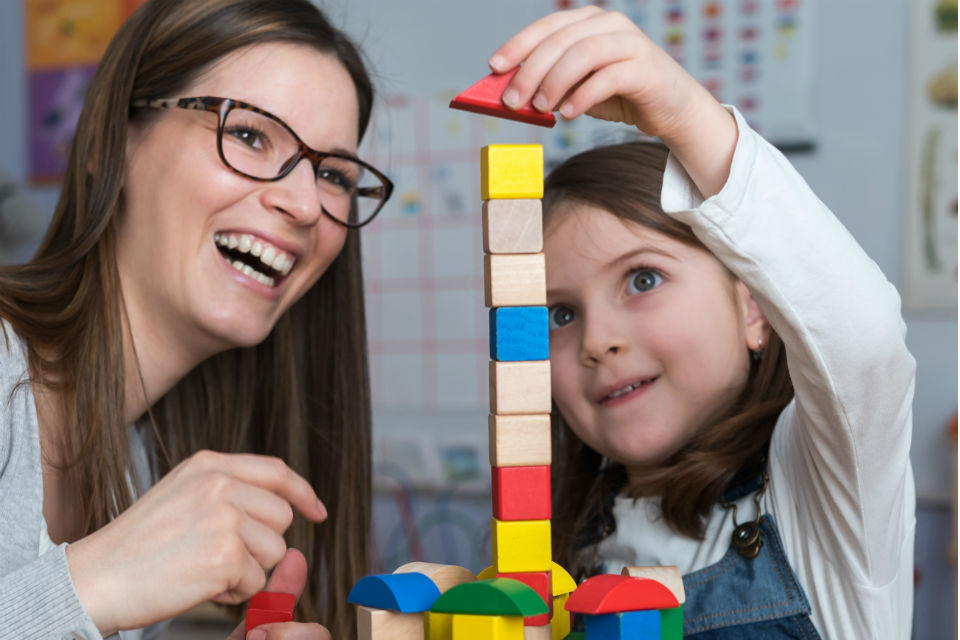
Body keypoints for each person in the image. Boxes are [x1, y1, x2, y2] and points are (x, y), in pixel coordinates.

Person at [490, 7, 916, 639]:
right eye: (560, 314)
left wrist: (684, 112)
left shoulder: (824, 494)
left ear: (753, 309)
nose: (599, 340)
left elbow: (863, 338)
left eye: (643, 279)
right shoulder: (557, 558)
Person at [0, 0, 393, 638]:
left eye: (332, 175)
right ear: (111, 143)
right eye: (247, 134)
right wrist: (98, 581)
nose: (301, 203)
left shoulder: (140, 471)